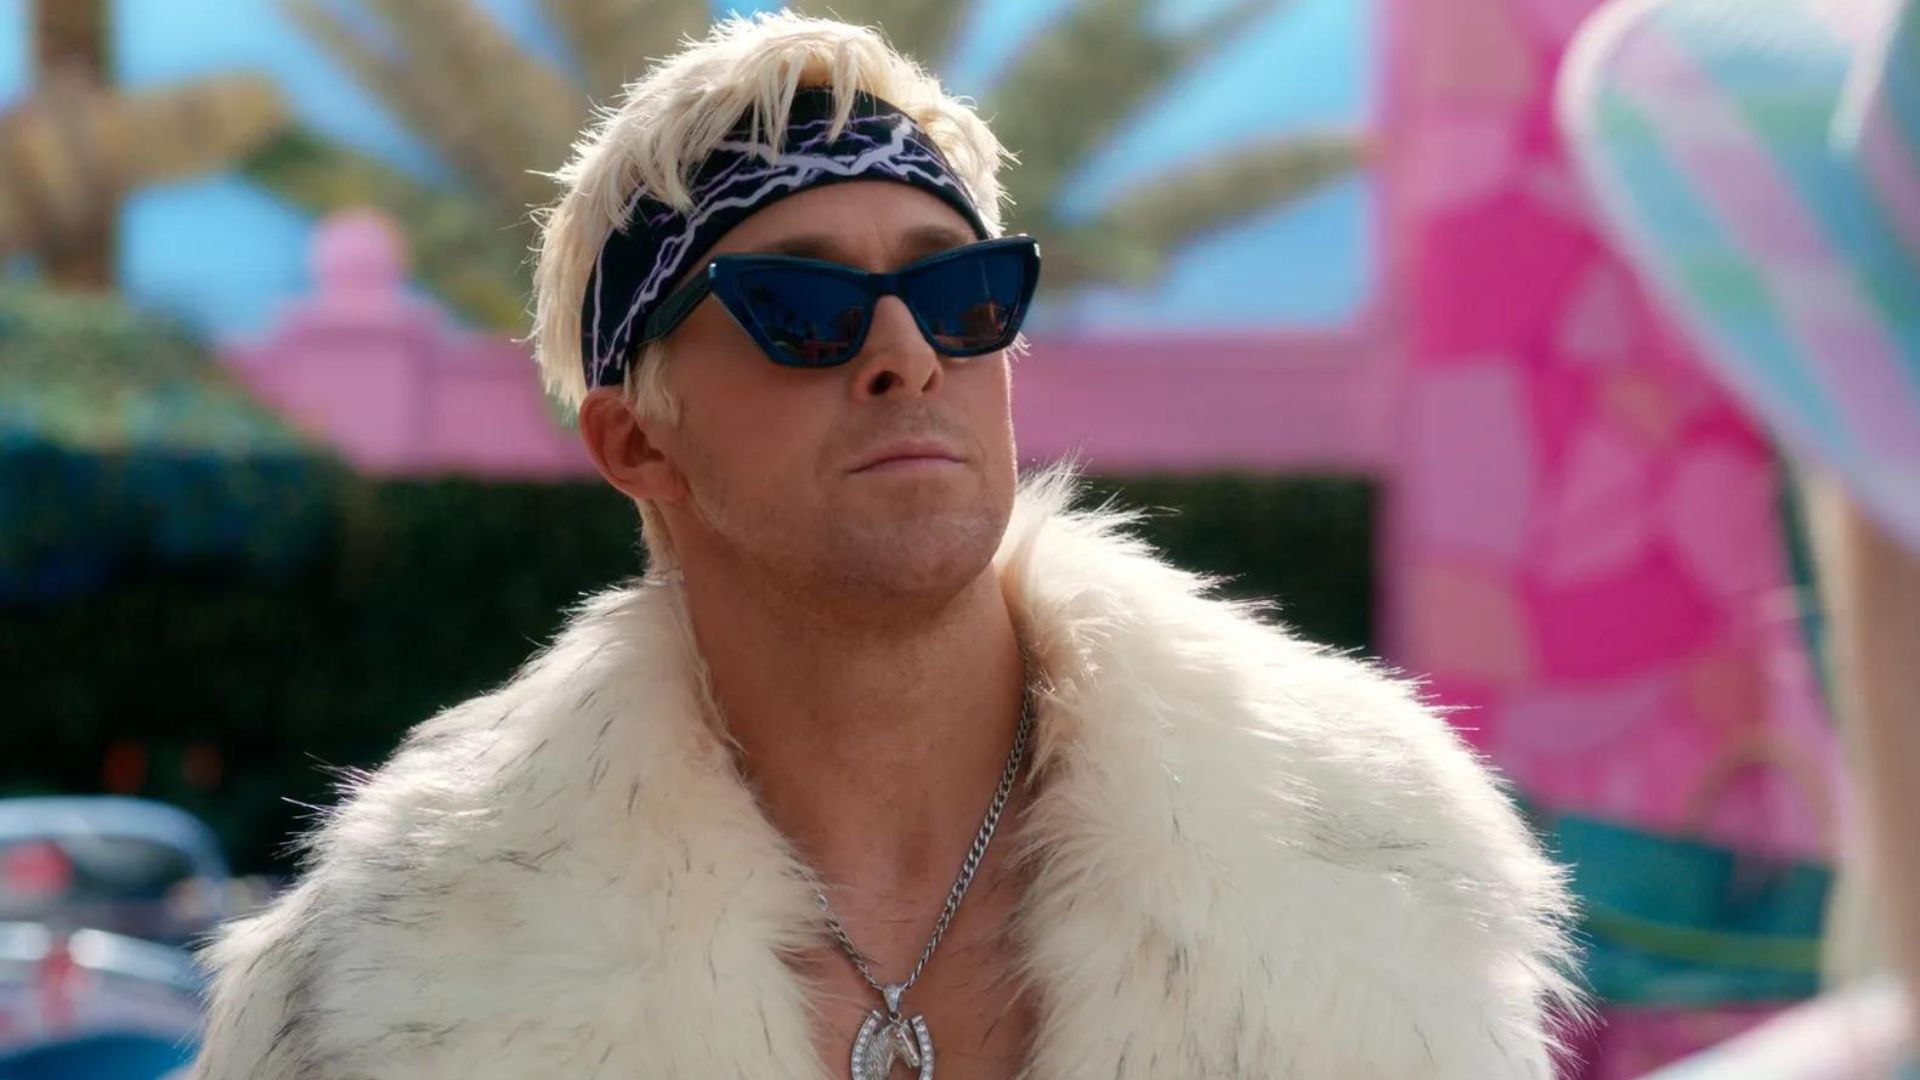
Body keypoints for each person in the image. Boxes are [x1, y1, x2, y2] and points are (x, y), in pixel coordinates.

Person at [186, 12, 1585, 1079]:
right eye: (803, 309)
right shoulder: (395, 983)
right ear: (638, 443)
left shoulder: (1371, 877)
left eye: (962, 291)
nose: (906, 352)